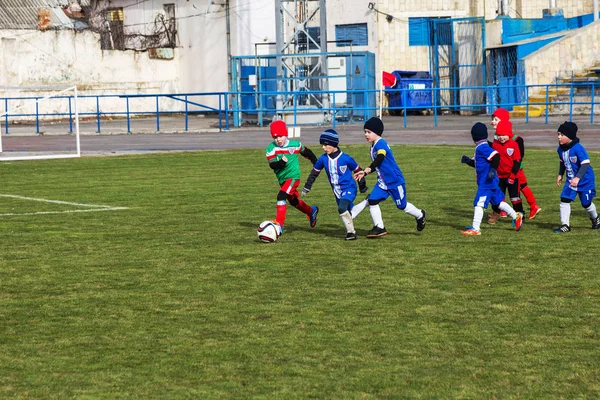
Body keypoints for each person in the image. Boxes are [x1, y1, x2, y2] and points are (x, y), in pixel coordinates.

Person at [352, 117, 426, 238]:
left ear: (377, 132)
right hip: (383, 183)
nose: (366, 134)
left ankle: (420, 215)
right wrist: (366, 172)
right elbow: (379, 164)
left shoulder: (380, 144)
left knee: (402, 206)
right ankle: (379, 227)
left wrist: (368, 169)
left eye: (369, 132)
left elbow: (380, 157)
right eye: (365, 132)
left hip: (395, 182)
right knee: (373, 201)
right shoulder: (373, 145)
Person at [301, 129, 368, 240]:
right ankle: (367, 202)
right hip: (337, 192)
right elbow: (314, 173)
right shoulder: (322, 159)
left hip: (349, 188)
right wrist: (307, 186)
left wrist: (362, 186)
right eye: (322, 145)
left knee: (342, 208)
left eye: (325, 145)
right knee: (350, 214)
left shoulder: (346, 158)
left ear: (333, 144)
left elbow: (358, 171)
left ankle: (351, 233)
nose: (323, 147)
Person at [460, 122, 523, 235]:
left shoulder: (482, 147)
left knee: (479, 203)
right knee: (498, 202)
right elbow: (478, 164)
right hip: (492, 182)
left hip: (487, 183)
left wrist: (493, 170)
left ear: (473, 137)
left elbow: (496, 155)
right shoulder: (481, 147)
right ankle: (516, 216)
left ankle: (475, 228)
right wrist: (468, 161)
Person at [265, 119, 319, 231]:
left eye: (280, 136)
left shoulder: (295, 145)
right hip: (282, 180)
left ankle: (279, 225)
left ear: (285, 134)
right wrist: (281, 163)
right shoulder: (271, 148)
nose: (278, 139)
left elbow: (306, 152)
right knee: (293, 201)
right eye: (275, 137)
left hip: (293, 177)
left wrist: (316, 162)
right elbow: (272, 165)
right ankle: (311, 211)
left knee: (281, 196)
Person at [491, 107, 542, 219]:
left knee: (521, 187)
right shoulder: (497, 137)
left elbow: (518, 157)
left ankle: (532, 206)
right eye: (492, 119)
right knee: (502, 187)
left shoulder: (516, 140)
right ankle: (503, 210)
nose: (493, 122)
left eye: (496, 119)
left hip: (515, 169)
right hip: (503, 170)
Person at [554, 121, 599, 232]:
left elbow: (585, 163)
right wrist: (560, 174)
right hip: (571, 181)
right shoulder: (560, 149)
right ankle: (565, 225)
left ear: (569, 136)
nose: (559, 137)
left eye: (562, 135)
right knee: (564, 199)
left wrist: (578, 178)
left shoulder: (578, 148)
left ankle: (595, 218)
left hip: (585, 181)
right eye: (558, 134)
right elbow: (562, 162)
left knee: (586, 204)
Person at [487, 119, 525, 224]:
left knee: (515, 197)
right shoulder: (495, 145)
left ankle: (519, 213)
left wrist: (512, 176)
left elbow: (517, 162)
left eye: (504, 135)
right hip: (499, 176)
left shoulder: (514, 145)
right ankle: (496, 213)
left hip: (512, 176)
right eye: (499, 135)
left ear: (509, 134)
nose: (501, 137)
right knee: (496, 196)